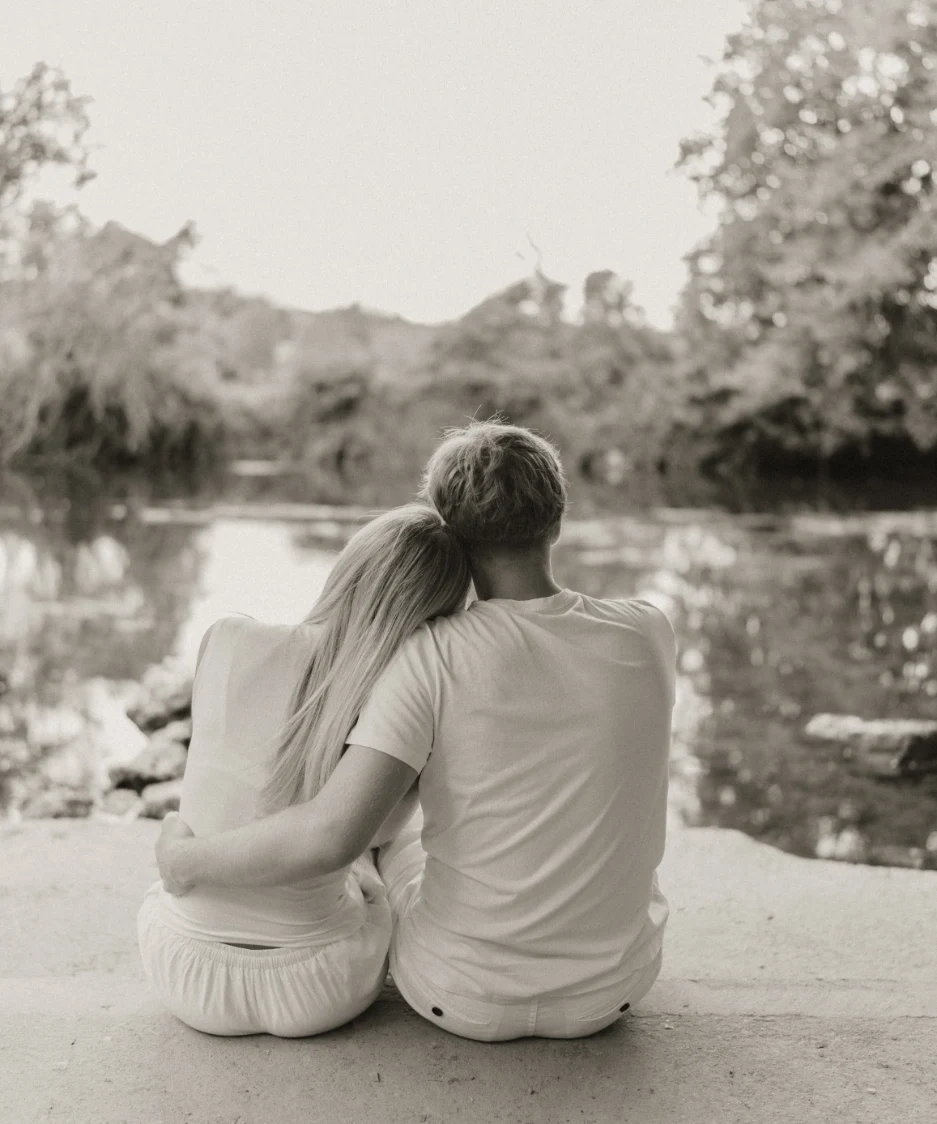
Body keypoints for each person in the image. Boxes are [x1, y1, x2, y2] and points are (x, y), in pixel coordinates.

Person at [157, 420, 677, 1042]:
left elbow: (332, 836)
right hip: (614, 991)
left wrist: (185, 859)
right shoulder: (648, 632)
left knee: (393, 842)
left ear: (449, 530)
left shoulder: (431, 655)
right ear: (558, 519)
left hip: (460, 996)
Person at [138, 504, 471, 1036]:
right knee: (382, 865)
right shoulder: (401, 703)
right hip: (321, 986)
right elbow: (373, 835)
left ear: (350, 566)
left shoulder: (225, 636)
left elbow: (216, 774)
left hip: (181, 965)